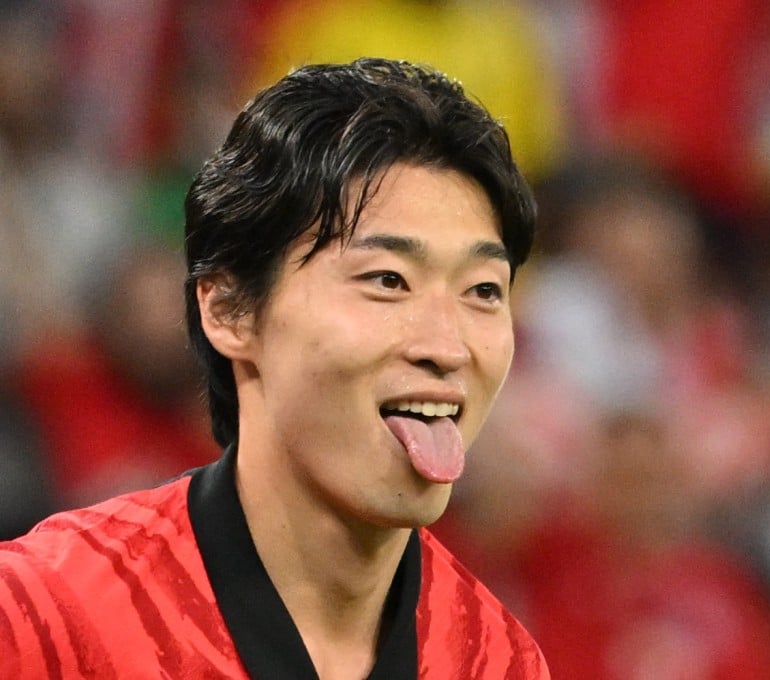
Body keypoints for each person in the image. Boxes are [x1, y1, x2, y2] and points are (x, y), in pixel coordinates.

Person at [0, 58, 549, 679]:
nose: (447, 347)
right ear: (230, 309)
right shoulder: (41, 616)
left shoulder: (498, 660)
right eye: (388, 280)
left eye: (483, 290)